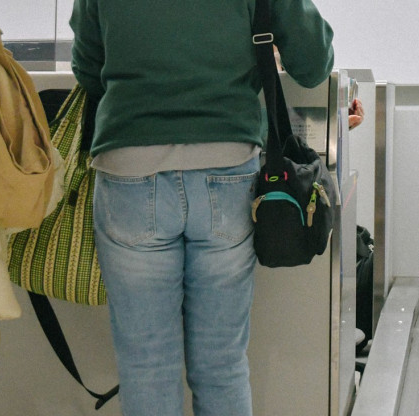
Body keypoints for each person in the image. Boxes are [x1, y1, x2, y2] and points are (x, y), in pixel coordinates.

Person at [69, 0, 333, 414]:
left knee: (146, 366)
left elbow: (88, 68)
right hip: (227, 170)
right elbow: (314, 64)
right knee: (222, 363)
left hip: (128, 170)